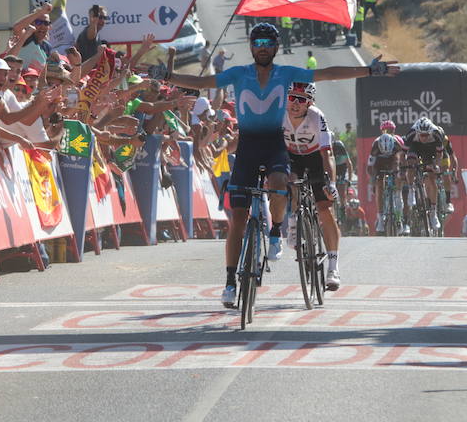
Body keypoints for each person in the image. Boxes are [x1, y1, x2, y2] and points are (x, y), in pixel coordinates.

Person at [153, 22, 398, 308]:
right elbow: (201, 83)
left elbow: (328, 74)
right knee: (238, 221)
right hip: (247, 148)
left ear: (276, 47)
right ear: (251, 47)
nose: (263, 48)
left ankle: (274, 233)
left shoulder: (287, 74)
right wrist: (168, 76)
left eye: (268, 44)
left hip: (274, 147)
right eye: (258, 44)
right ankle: (231, 282)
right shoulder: (239, 73)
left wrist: (368, 71)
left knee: (281, 185)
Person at [282, 81, 342, 290]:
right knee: (288, 180)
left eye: (301, 100)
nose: (295, 103)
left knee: (325, 208)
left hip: (315, 159)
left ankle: (333, 267)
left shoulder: (317, 117)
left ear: (309, 103)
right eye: (291, 98)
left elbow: (328, 153)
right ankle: (293, 219)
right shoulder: (279, 114)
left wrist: (331, 182)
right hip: (291, 157)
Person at [402, 117, 452, 232]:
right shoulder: (411, 134)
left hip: (431, 151)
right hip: (416, 147)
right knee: (410, 164)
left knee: (432, 178)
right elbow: (402, 154)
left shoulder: (437, 134)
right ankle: (411, 190)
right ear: (417, 132)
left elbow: (439, 156)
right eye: (421, 135)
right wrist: (405, 167)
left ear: (430, 132)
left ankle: (433, 212)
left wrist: (435, 165)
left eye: (426, 135)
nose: (423, 137)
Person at [367, 119, 405, 234]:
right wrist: (373, 179)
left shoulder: (397, 142)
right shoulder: (376, 144)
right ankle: (380, 218)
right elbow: (370, 166)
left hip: (393, 162)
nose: (388, 131)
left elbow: (403, 160)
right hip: (380, 164)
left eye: (390, 130)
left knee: (398, 176)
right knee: (379, 184)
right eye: (385, 130)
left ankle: (399, 216)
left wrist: (402, 174)